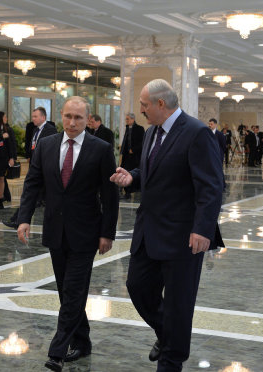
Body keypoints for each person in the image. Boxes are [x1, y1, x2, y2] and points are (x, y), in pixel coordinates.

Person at [110, 79, 224, 372]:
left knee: (178, 305)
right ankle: (168, 334)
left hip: (183, 237)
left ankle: (171, 360)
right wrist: (132, 177)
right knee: (137, 287)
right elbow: (154, 169)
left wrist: (203, 229)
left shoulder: (197, 133)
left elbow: (211, 186)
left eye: (144, 105)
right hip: (148, 232)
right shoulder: (151, 132)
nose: (141, 110)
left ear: (161, 104)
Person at [17, 96, 119, 371]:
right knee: (66, 291)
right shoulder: (47, 145)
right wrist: (24, 218)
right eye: (68, 116)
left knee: (74, 291)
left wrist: (107, 233)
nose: (72, 122)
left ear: (88, 119)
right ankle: (82, 342)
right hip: (55, 230)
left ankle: (57, 351)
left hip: (87, 233)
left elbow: (110, 196)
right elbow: (33, 183)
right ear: (60, 116)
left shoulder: (101, 149)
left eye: (79, 118)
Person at [3, 107, 57, 228]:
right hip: (36, 167)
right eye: (33, 116)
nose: (33, 119)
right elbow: (33, 145)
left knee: (33, 196)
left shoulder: (50, 130)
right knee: (30, 195)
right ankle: (17, 220)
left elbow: (51, 150)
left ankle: (19, 220)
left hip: (44, 170)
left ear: (43, 117)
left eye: (35, 116)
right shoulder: (35, 130)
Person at [120, 113, 145, 199]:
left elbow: (142, 142)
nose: (126, 121)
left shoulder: (140, 129)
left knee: (135, 172)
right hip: (127, 156)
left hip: (136, 156)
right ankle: (127, 192)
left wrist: (133, 149)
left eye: (127, 119)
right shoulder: (127, 129)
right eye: (126, 119)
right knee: (125, 172)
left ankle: (137, 192)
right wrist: (122, 152)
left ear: (133, 119)